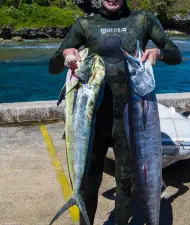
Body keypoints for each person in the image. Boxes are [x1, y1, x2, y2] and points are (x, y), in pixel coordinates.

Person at [48, 0, 182, 224]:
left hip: (130, 121)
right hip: (91, 122)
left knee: (126, 183)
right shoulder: (85, 24)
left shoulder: (143, 19)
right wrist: (65, 55)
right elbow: (52, 67)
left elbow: (175, 54)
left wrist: (159, 52)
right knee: (88, 182)